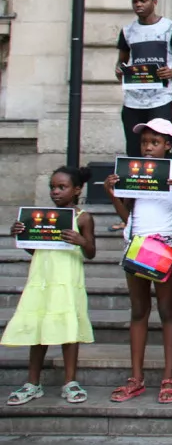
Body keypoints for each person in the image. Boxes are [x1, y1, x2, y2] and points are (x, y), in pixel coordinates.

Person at [104, 119, 172, 405]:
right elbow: (127, 217)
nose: (149, 148)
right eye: (144, 143)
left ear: (168, 145)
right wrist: (113, 195)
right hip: (137, 243)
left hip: (164, 245)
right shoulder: (132, 173)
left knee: (167, 310)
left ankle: (169, 376)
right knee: (139, 310)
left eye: (155, 142)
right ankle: (136, 377)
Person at [2, 166, 96, 406]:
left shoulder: (82, 217)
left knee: (68, 330)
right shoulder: (41, 216)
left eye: (62, 187)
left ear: (76, 190)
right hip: (42, 279)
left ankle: (70, 381)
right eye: (52, 187)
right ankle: (33, 383)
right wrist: (21, 236)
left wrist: (81, 240)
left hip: (67, 280)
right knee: (38, 328)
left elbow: (91, 252)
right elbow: (36, 248)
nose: (55, 192)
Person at [116, 0, 172, 156]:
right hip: (132, 100)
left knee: (160, 145)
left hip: (160, 98)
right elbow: (121, 61)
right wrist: (120, 71)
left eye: (143, 1)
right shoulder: (127, 31)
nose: (139, 5)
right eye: (135, 2)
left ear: (154, 2)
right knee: (134, 147)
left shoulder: (170, 27)